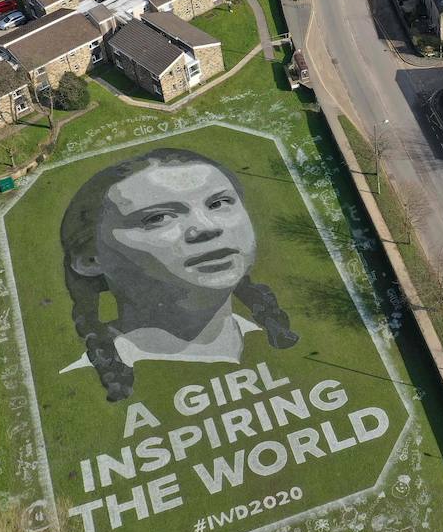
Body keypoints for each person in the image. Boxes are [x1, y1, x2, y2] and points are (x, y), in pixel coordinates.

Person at [60, 148, 297, 401]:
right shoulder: (76, 378)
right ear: (91, 259)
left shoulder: (273, 337)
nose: (207, 227)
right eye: (158, 217)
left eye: (218, 203)